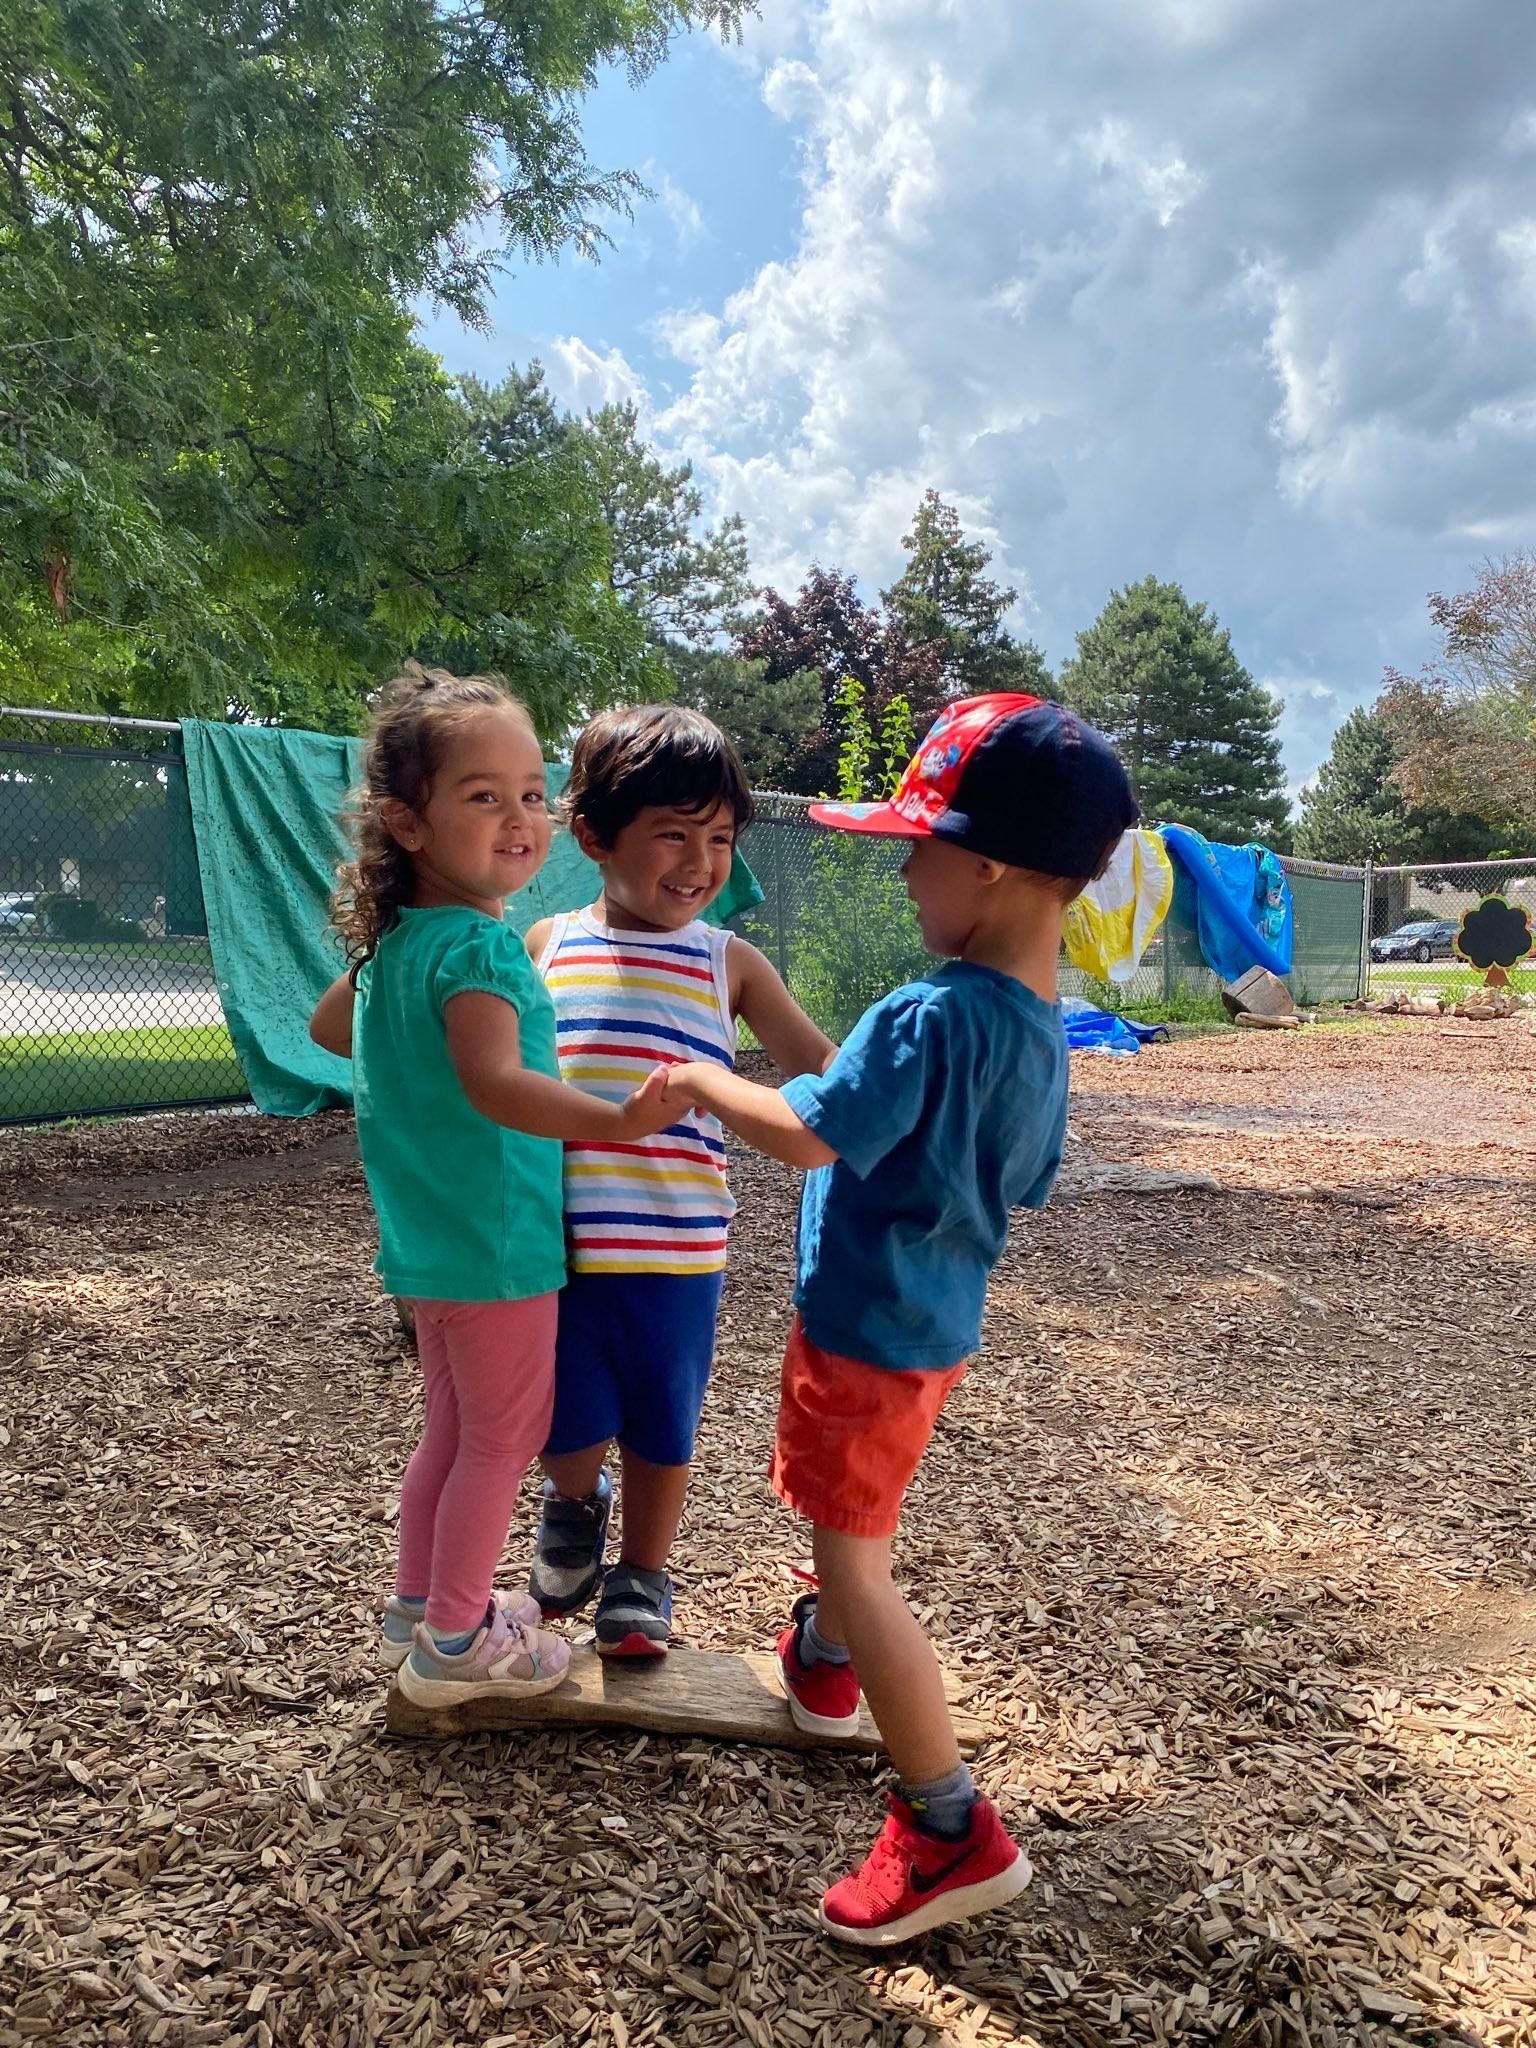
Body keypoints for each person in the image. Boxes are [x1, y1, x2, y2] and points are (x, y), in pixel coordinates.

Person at [661, 694, 1139, 1945]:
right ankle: (825, 1663)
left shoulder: (928, 1013)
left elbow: (807, 1132)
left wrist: (703, 1079)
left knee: (857, 1563)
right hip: (932, 1325)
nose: (905, 870)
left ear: (989, 866)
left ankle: (947, 1824)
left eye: (917, 847)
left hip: (866, 1332)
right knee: (853, 1513)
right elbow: (1013, 1174)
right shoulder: (1038, 1029)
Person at [307, 665, 674, 1709]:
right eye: (483, 796)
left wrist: (408, 1055)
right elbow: (497, 1084)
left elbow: (329, 1028)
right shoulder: (481, 945)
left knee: (452, 1434)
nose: (520, 818)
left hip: (428, 1244)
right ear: (408, 823)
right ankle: (456, 1643)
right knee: (502, 1442)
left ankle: (418, 1605)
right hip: (500, 1245)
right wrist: (616, 1117)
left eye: (531, 793)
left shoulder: (397, 946)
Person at [524, 705, 836, 1658]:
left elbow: (821, 1069)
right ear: (594, 837)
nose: (700, 863)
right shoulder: (545, 946)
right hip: (558, 1244)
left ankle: (643, 1575)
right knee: (564, 1422)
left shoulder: (728, 962)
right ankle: (574, 1503)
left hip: (679, 1249)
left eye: (720, 839)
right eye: (672, 835)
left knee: (665, 1424)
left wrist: (901, 1095)